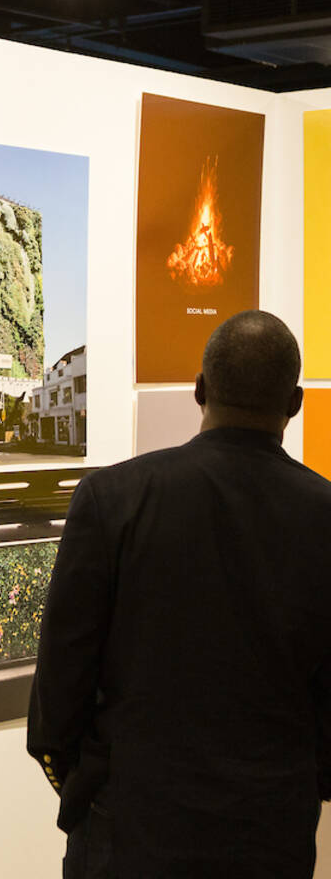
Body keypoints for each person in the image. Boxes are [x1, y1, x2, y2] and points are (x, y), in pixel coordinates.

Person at [28, 310, 331, 879]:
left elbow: (59, 691)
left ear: (199, 390)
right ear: (294, 403)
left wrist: (89, 784)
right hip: (271, 834)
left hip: (129, 829)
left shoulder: (109, 499)